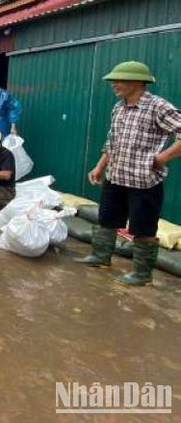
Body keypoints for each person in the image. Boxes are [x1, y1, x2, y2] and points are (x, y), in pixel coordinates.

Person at [76, 62, 181, 286]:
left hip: (144, 181)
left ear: (137, 82)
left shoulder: (157, 107)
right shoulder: (118, 107)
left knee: (143, 228)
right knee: (107, 219)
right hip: (116, 176)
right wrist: (99, 166)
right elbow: (112, 141)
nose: (114, 84)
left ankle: (142, 275)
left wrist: (162, 158)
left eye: (119, 80)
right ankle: (100, 256)